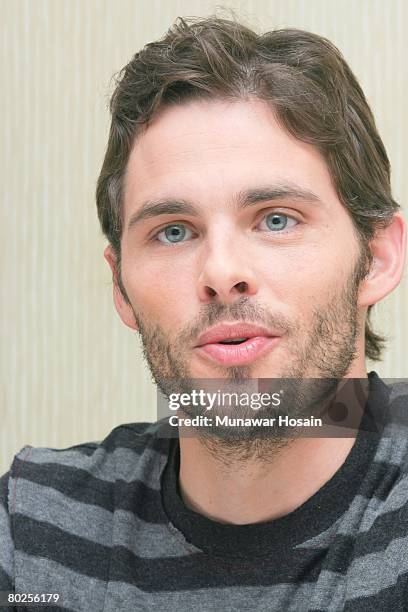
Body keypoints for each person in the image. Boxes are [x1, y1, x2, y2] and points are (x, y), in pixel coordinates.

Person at [1, 14, 407, 612]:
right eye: (173, 232)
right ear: (120, 287)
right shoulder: (30, 528)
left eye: (276, 219)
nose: (220, 272)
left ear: (375, 259)